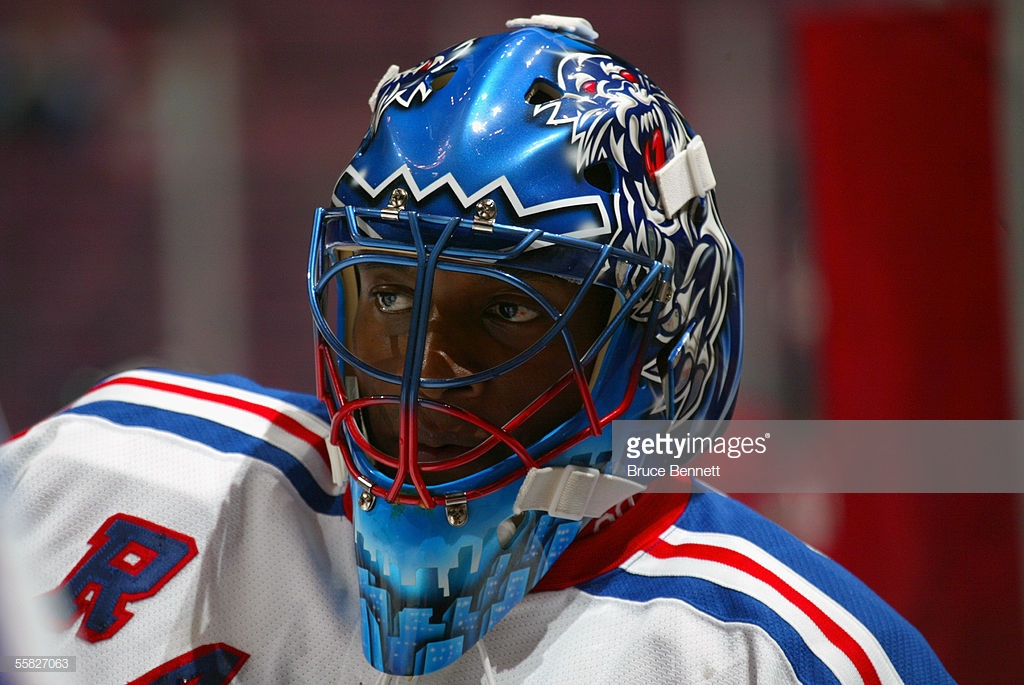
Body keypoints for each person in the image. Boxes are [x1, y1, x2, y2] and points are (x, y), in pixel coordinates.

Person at [0, 14, 953, 684]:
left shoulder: (763, 657)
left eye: (502, 313)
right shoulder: (98, 476)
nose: (423, 368)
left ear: (652, 346)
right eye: (387, 294)